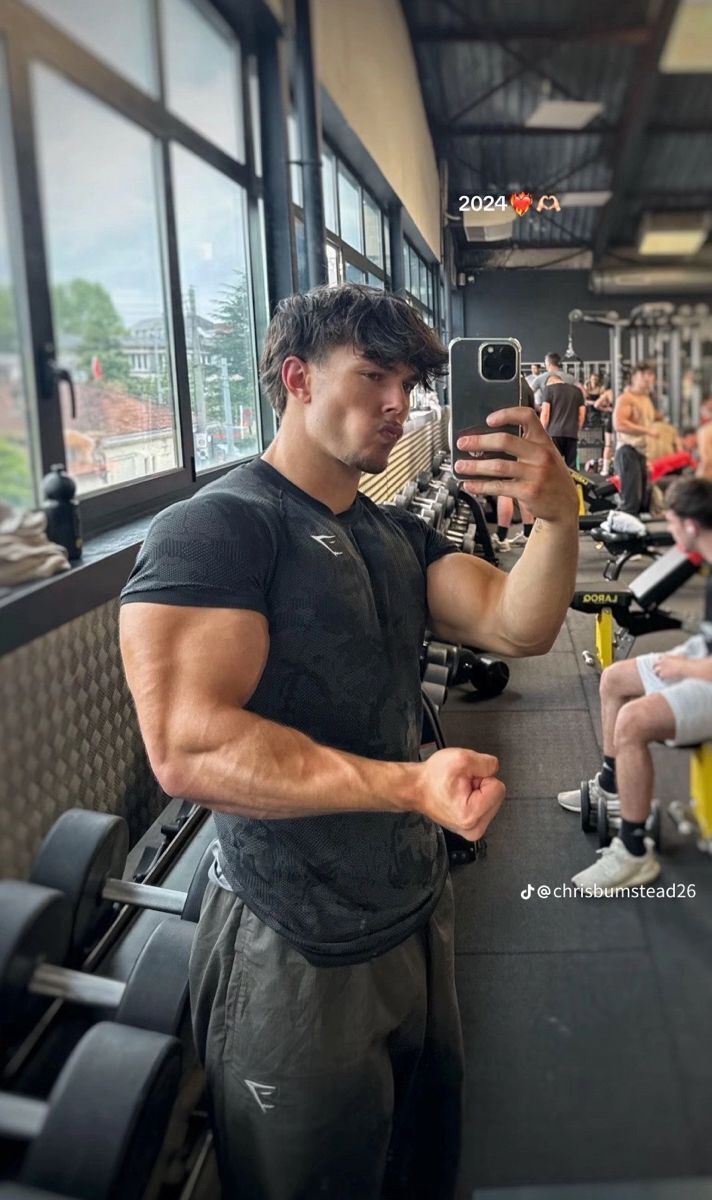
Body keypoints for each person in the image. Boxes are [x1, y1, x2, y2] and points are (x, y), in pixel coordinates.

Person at [119, 284, 578, 1200]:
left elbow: (516, 625)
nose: (399, 402)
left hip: (412, 911)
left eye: (408, 382)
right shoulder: (217, 528)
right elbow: (189, 748)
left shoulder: (391, 532)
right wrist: (408, 786)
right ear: (297, 379)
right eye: (373, 376)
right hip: (293, 936)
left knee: (417, 1163)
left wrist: (560, 515)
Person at [557, 476, 712, 894]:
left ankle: (633, 851)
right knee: (615, 679)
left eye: (673, 522)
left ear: (691, 525)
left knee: (633, 722)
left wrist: (684, 667)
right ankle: (611, 786)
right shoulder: (706, 556)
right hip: (703, 658)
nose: (670, 529)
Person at [612, 363, 659, 515]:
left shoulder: (646, 399)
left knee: (643, 502)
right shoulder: (626, 398)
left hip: (641, 452)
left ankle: (638, 529)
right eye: (643, 375)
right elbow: (619, 424)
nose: (647, 378)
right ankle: (622, 528)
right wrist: (647, 430)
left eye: (650, 375)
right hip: (628, 451)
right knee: (631, 503)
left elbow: (647, 421)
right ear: (633, 377)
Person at [539, 374, 586, 468]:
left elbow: (545, 414)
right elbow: (582, 414)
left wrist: (541, 432)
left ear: (550, 382)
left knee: (554, 465)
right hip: (572, 433)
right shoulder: (577, 391)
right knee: (571, 467)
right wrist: (577, 428)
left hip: (554, 433)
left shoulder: (548, 389)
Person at [594, 381, 615, 474]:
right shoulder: (624, 392)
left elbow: (596, 404)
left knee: (608, 445)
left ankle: (605, 469)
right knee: (617, 445)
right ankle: (614, 469)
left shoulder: (608, 393)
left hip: (612, 419)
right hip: (620, 420)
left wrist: (606, 409)